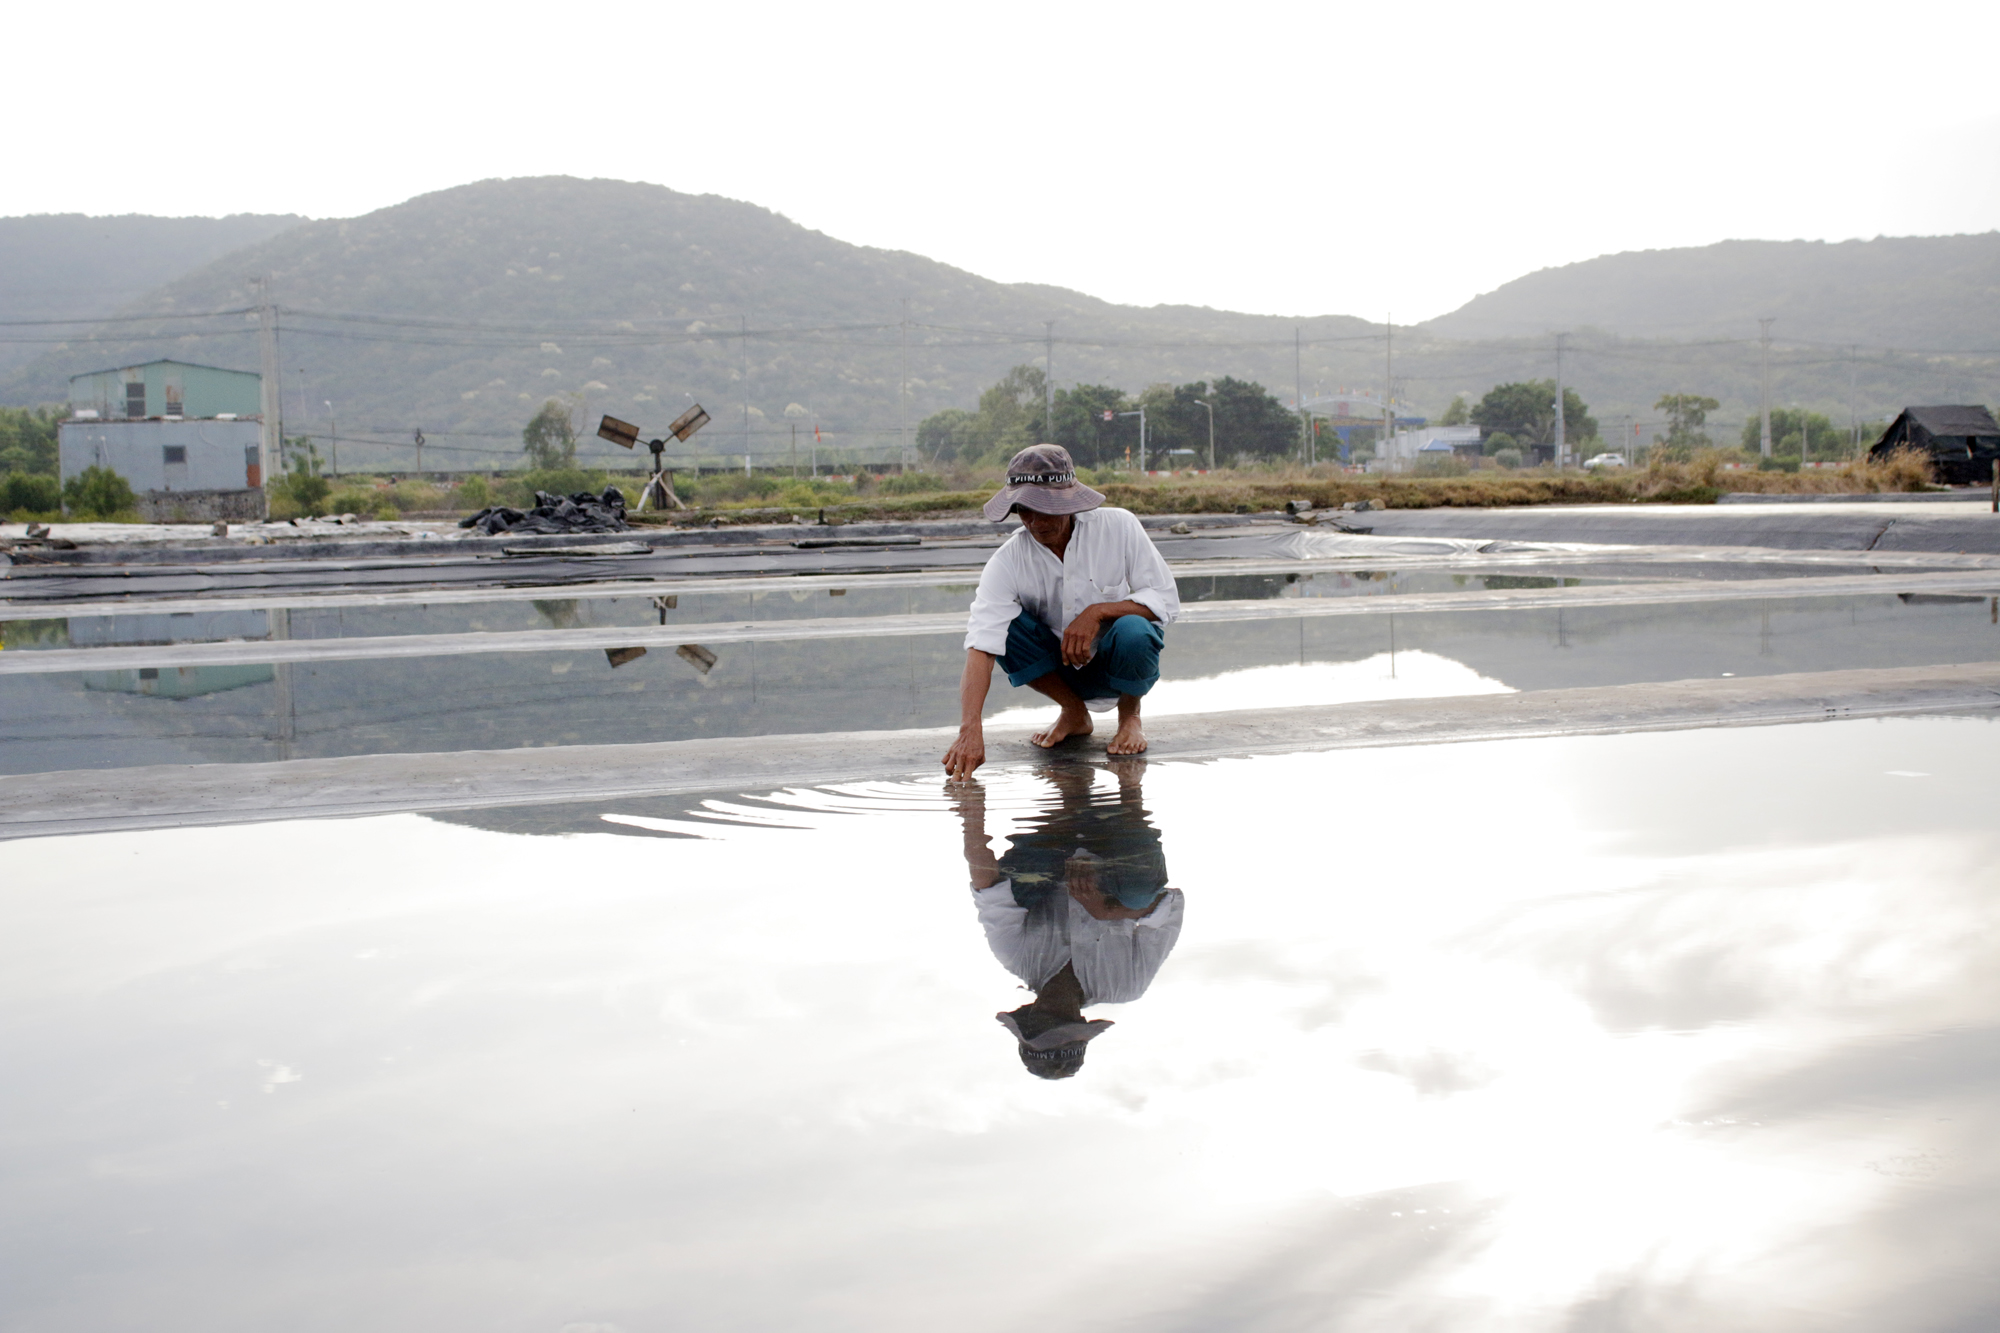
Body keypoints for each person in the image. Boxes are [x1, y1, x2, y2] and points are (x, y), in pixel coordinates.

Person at [941, 444, 1180, 778]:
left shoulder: (1119, 527)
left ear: (1069, 502)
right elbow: (982, 646)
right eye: (1025, 510)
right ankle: (1073, 712)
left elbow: (1166, 600)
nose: (1036, 522)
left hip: (1117, 663)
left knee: (1135, 629)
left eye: (1046, 509)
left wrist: (1098, 612)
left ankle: (1130, 718)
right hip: (1059, 670)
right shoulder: (1008, 561)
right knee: (1003, 629)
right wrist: (970, 729)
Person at [953, 761, 1185, 1079]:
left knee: (1009, 893)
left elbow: (986, 887)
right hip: (1117, 858)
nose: (1050, 1009)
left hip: (1053, 851)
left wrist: (970, 814)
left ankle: (1071, 796)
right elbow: (1170, 908)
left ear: (1028, 1014)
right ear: (1078, 1021)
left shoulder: (1014, 955)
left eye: (1040, 1019)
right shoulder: (1126, 985)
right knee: (1138, 896)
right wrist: (1108, 910)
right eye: (1058, 1020)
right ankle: (1130, 787)